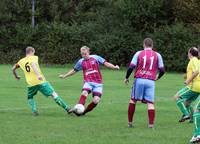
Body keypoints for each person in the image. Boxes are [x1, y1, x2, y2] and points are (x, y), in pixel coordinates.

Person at [59, 46, 120, 115]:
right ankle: (77, 108)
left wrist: (114, 67)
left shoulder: (96, 58)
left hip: (98, 83)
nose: (84, 55)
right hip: (88, 82)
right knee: (84, 92)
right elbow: (74, 70)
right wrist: (64, 76)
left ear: (88, 52)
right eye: (82, 54)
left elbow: (106, 63)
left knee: (96, 100)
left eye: (85, 54)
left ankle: (83, 112)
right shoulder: (81, 61)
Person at [12, 46, 71, 116]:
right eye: (34, 52)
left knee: (30, 97)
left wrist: (16, 76)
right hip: (41, 82)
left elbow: (13, 68)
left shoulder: (21, 61)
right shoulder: (34, 57)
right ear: (32, 52)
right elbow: (33, 64)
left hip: (31, 84)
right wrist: (38, 75)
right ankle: (67, 108)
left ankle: (34, 111)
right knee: (53, 94)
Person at [124, 38, 165, 128]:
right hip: (150, 81)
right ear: (152, 45)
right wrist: (158, 77)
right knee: (150, 103)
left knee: (133, 100)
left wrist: (126, 77)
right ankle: (151, 124)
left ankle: (130, 123)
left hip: (139, 79)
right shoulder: (157, 55)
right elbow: (162, 70)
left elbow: (131, 67)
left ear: (144, 45)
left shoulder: (138, 53)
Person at [174, 47, 200, 123]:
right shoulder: (198, 61)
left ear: (190, 53)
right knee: (187, 102)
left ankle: (186, 114)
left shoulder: (193, 60)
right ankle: (191, 119)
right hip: (198, 86)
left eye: (188, 52)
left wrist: (188, 80)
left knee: (177, 97)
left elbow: (196, 72)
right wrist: (186, 75)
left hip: (193, 86)